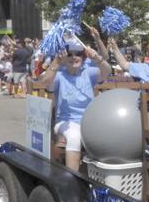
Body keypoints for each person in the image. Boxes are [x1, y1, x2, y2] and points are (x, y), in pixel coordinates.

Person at [39, 40, 111, 171]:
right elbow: (45, 82)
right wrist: (56, 61)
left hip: (89, 121)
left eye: (78, 53)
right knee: (74, 136)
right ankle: (71, 179)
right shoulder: (60, 75)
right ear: (64, 58)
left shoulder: (88, 73)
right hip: (66, 122)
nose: (74, 57)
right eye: (69, 54)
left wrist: (96, 56)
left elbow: (107, 71)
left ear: (83, 57)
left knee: (110, 132)